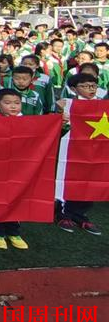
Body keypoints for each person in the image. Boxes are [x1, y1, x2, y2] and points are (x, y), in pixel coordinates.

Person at [55, 74, 103, 236]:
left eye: (93, 86)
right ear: (74, 89)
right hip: (73, 150)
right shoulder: (67, 104)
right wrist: (61, 116)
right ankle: (64, 213)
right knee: (70, 179)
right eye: (85, 86)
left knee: (91, 181)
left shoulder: (103, 105)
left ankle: (80, 214)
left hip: (97, 151)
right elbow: (58, 125)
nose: (91, 89)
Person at [0, 89, 29, 250]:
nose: (13, 106)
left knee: (17, 197)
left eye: (17, 103)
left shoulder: (29, 122)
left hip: (21, 169)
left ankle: (14, 230)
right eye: (8, 103)